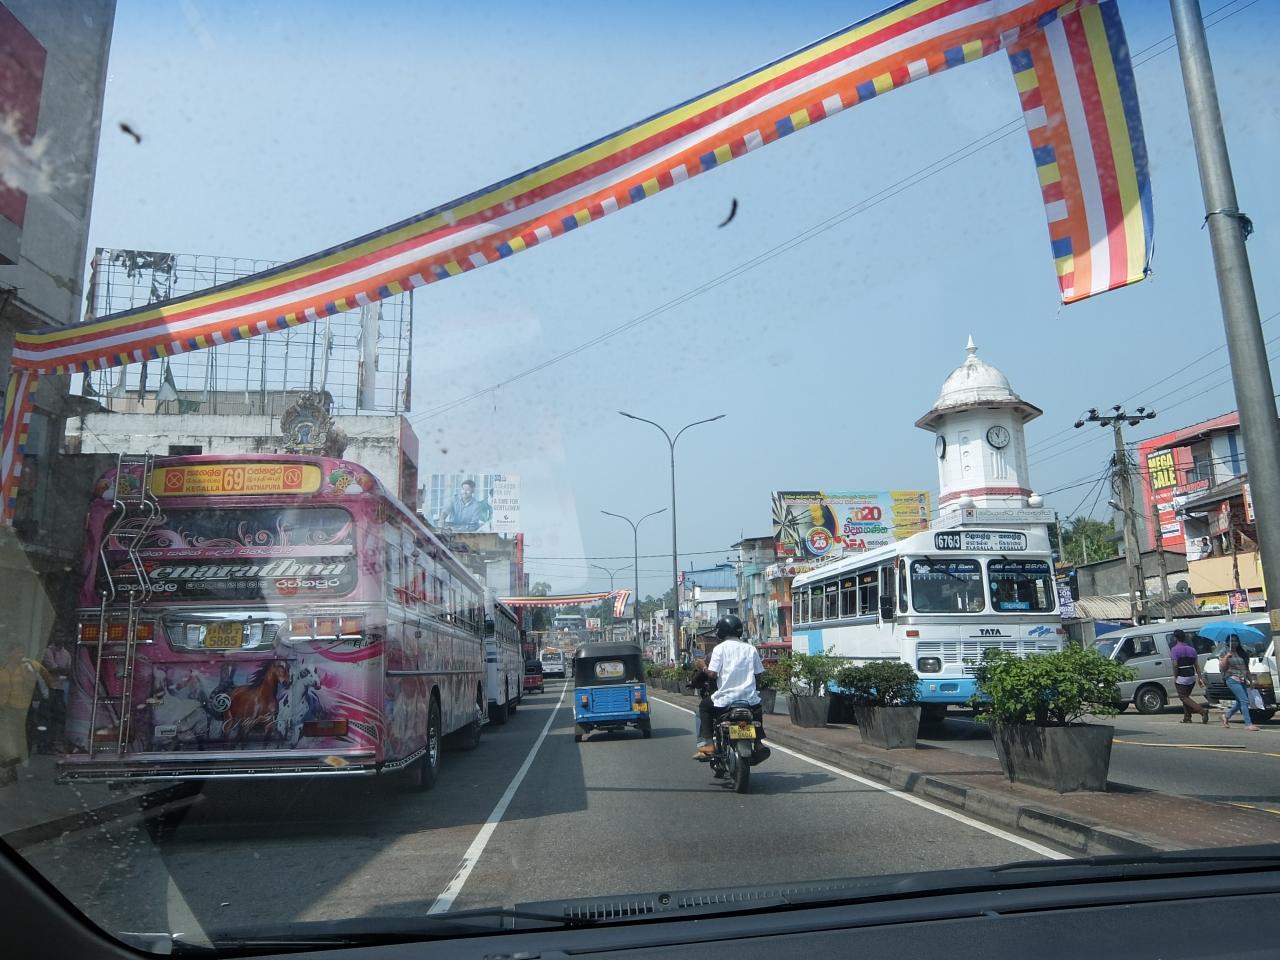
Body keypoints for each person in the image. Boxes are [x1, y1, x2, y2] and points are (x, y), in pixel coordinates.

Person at [692, 614, 767, 760]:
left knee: (703, 707)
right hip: (748, 699)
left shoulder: (719, 649)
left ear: (721, 631)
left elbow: (712, 674)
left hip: (725, 699)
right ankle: (758, 743)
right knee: (757, 707)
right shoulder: (751, 649)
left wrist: (702, 666)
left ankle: (708, 744)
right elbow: (759, 674)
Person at [39, 630, 73, 752]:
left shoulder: (66, 653)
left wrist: (61, 670)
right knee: (45, 718)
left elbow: (69, 670)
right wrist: (62, 670)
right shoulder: (47, 651)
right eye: (58, 636)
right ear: (53, 637)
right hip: (48, 689)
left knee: (58, 718)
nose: (61, 639)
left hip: (60, 689)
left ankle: (52, 744)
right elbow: (52, 668)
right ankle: (43, 745)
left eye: (62, 636)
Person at [1168, 629, 1210, 724]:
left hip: (1182, 676)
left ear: (1175, 638)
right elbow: (1196, 665)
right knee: (1186, 697)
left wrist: (1175, 676)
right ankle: (1187, 717)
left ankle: (1202, 711)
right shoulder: (1192, 649)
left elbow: (1175, 664)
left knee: (1183, 697)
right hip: (1191, 676)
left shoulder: (1174, 649)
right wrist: (1200, 678)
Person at [1219, 634, 1259, 731]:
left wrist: (1251, 681)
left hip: (1242, 679)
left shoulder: (1242, 652)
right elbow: (1222, 668)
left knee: (1240, 702)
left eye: (1235, 641)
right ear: (1227, 642)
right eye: (1231, 641)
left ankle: (1226, 716)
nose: (1233, 643)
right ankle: (1248, 724)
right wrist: (1226, 657)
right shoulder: (1224, 652)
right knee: (1244, 700)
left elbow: (1246, 669)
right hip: (1232, 679)